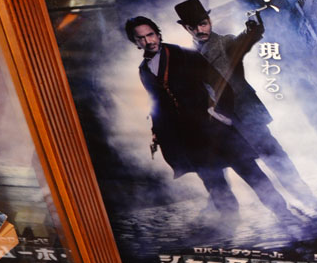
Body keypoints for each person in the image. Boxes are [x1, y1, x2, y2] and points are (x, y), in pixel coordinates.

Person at [125, 16, 296, 222]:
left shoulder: (185, 55)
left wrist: (223, 114)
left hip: (216, 127)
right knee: (214, 182)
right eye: (141, 38)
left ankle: (283, 213)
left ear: (158, 34)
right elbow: (158, 103)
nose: (148, 41)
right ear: (135, 42)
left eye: (150, 34)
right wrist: (157, 131)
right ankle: (229, 222)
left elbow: (220, 83)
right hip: (190, 137)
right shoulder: (144, 70)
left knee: (250, 172)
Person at [174, 0, 311, 203]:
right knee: (250, 168)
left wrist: (252, 30)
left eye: (202, 24)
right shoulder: (190, 57)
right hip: (224, 122)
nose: (199, 30)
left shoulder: (225, 42)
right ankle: (278, 206)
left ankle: (304, 196)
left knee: (274, 156)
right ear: (186, 28)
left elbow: (243, 41)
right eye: (192, 27)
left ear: (209, 21)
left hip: (246, 112)